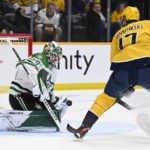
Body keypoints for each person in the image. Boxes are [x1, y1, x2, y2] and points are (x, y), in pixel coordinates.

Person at [67, 6, 150, 139]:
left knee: (103, 100)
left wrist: (125, 86)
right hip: (146, 66)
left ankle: (85, 126)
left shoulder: (118, 34)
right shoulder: (147, 24)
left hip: (122, 72)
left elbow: (114, 61)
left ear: (124, 19)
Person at [9, 41, 72, 117]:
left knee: (48, 114)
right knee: (39, 115)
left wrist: (54, 102)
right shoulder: (40, 58)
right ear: (47, 52)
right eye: (54, 55)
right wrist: (37, 84)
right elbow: (21, 65)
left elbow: (49, 90)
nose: (56, 58)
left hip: (33, 98)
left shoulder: (53, 70)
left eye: (58, 56)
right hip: (19, 95)